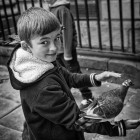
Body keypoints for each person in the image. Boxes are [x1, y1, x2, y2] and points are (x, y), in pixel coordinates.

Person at [7, 7, 140, 140]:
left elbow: (69, 77)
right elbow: (76, 120)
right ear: (26, 47)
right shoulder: (43, 89)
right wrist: (117, 127)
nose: (54, 48)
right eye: (44, 42)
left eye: (57, 38)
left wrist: (96, 77)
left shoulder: (44, 61)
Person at [43, 0, 93, 100]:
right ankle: (66, 92)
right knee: (62, 73)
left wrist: (67, 53)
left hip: (66, 50)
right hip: (57, 50)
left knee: (75, 72)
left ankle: (88, 96)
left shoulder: (62, 10)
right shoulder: (51, 9)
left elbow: (67, 32)